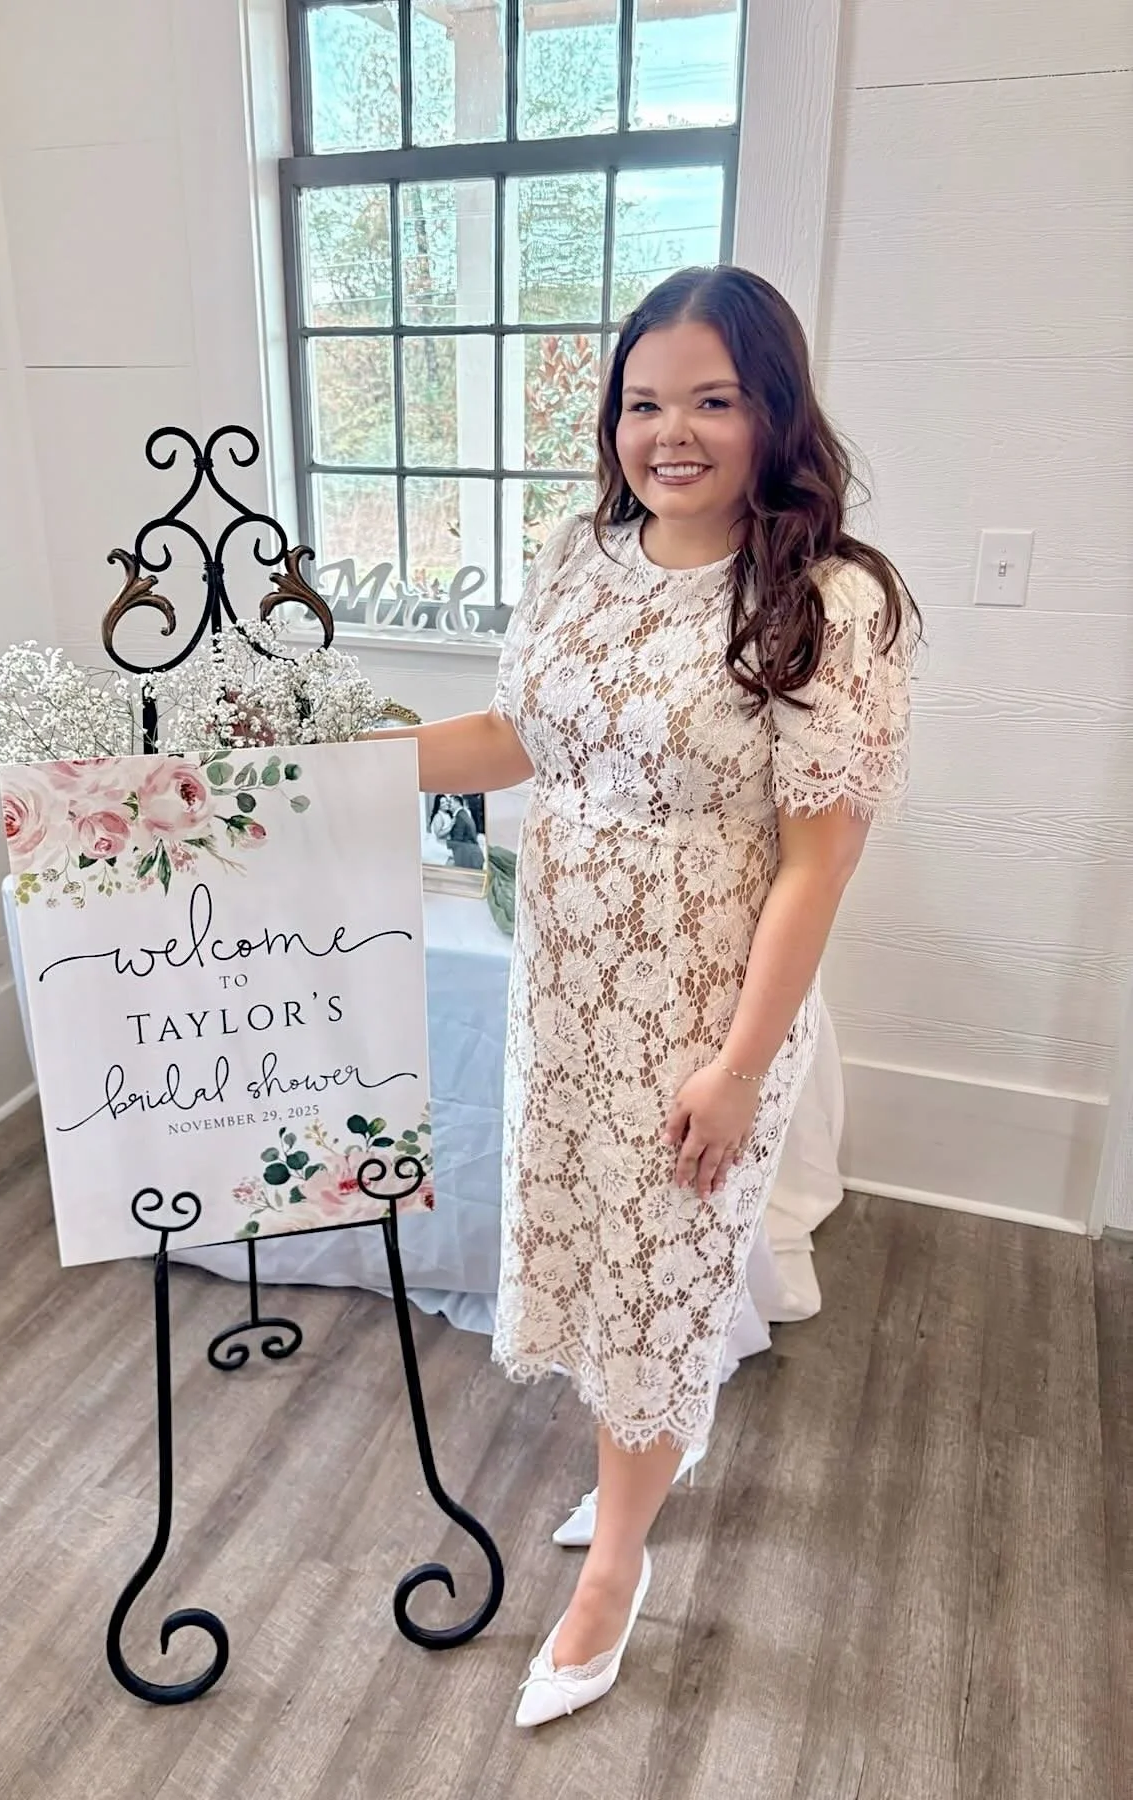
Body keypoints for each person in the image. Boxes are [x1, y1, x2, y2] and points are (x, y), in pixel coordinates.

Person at [374, 265, 916, 1726]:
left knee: (664, 1271)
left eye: (711, 401)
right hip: (569, 989)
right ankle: (633, 1462)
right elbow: (509, 734)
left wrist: (739, 1065)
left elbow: (816, 861)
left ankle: (614, 1561)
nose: (667, 432)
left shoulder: (828, 596)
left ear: (772, 412)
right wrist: (334, 765)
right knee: (594, 1254)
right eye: (641, 401)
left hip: (701, 1009)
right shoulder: (580, 557)